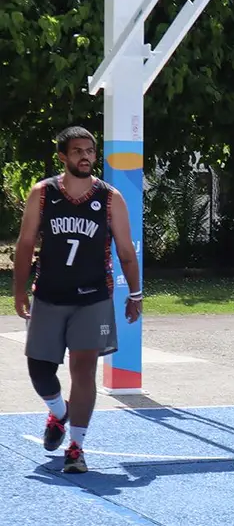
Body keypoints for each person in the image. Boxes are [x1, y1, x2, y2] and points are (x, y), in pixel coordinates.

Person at [11, 126, 142, 474]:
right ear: (62, 157)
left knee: (83, 371)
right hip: (50, 294)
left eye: (90, 151)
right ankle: (58, 414)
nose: (85, 157)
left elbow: (126, 251)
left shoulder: (110, 197)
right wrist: (19, 289)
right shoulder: (43, 194)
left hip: (92, 297)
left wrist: (135, 292)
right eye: (77, 151)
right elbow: (25, 245)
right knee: (39, 370)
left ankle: (76, 447)